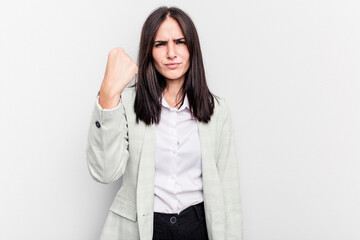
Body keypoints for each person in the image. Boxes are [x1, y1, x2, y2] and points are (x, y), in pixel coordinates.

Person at [86, 6, 242, 240]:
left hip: (198, 225)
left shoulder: (217, 109)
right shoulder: (126, 103)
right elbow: (105, 172)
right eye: (160, 44)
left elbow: (228, 193)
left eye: (180, 42)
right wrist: (108, 95)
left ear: (192, 49)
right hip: (143, 227)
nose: (171, 53)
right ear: (149, 51)